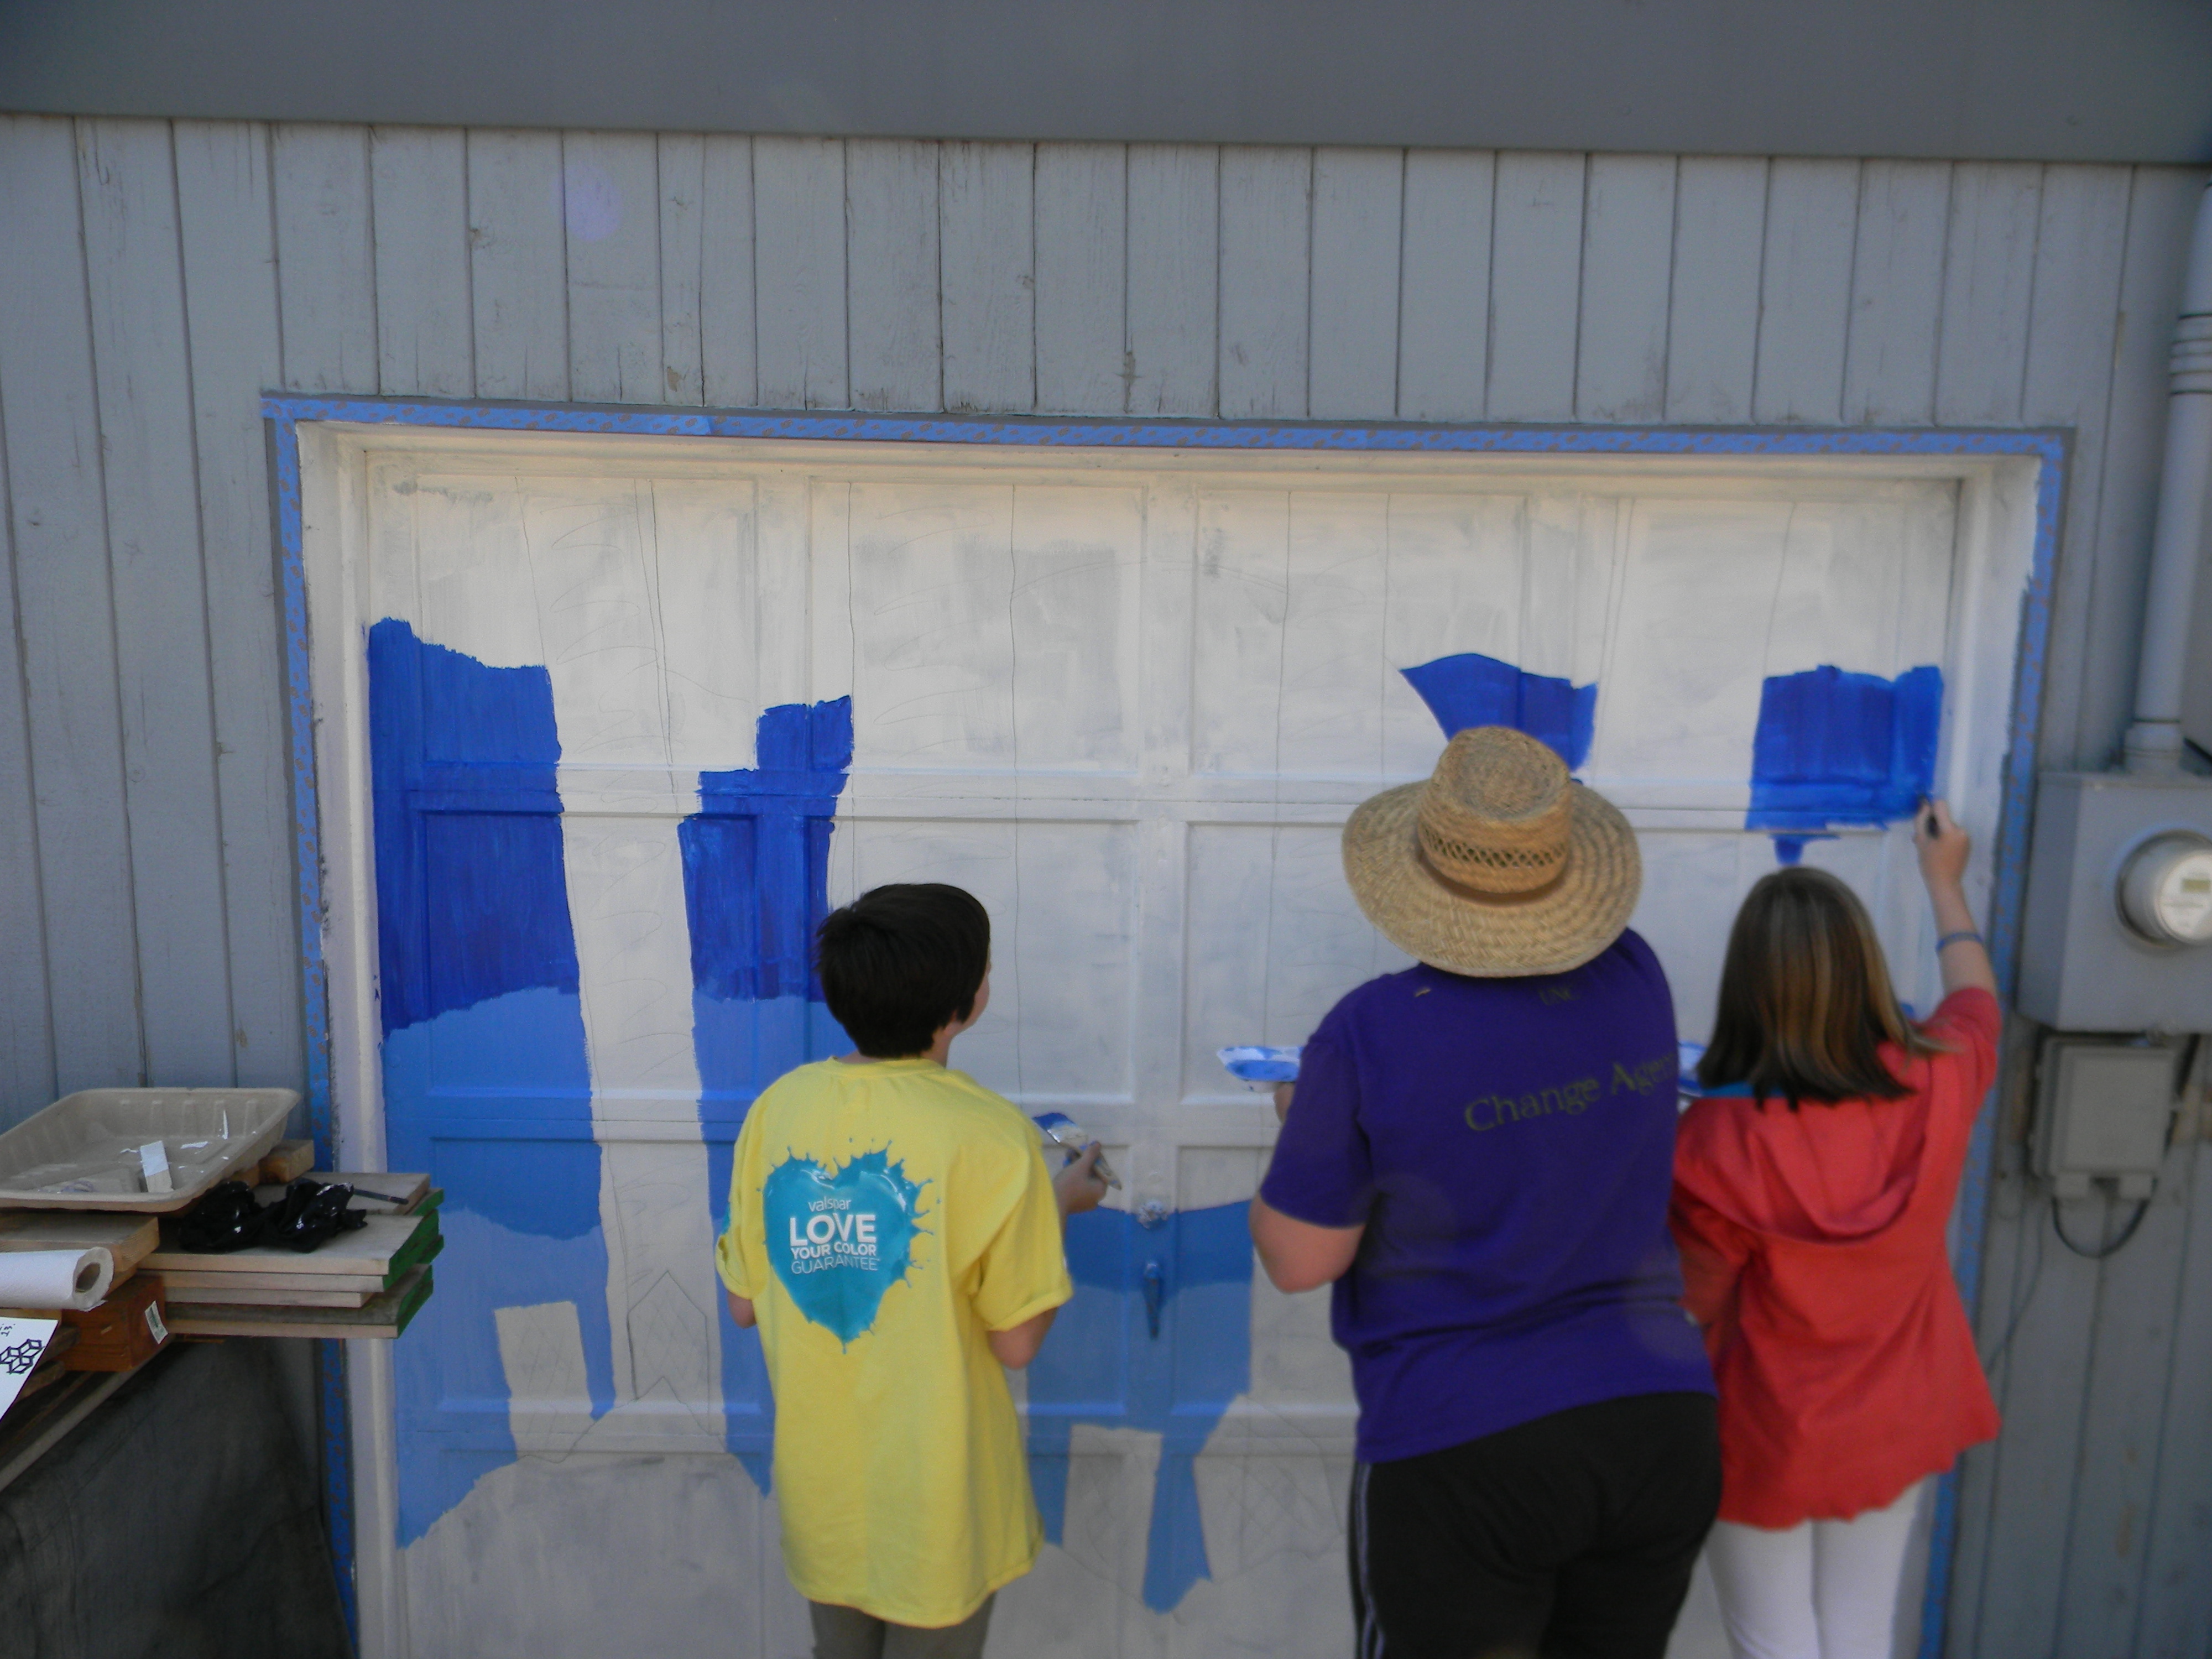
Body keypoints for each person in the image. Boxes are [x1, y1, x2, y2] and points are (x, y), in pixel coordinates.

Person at [1251, 725, 1720, 1659]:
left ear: (1420, 878)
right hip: (1659, 1420)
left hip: (1468, 1445)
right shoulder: (1636, 974)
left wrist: (1306, 1127)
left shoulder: (1370, 1033)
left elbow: (1301, 1260)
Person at [716, 883, 1110, 1659]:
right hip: (939, 1509)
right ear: (967, 1000)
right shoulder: (992, 1135)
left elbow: (744, 1304)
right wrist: (1056, 1206)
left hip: (825, 1498)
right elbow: (1016, 1342)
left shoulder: (777, 1111)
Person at [1671, 801, 2002, 1659]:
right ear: (1864, 968)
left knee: (1773, 1640)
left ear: (1748, 986)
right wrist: (1942, 879)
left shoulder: (1713, 1140)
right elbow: (1977, 1001)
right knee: (1860, 1631)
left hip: (1764, 1430)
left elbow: (1691, 1305)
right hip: (1897, 1414)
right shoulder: (1941, 1075)